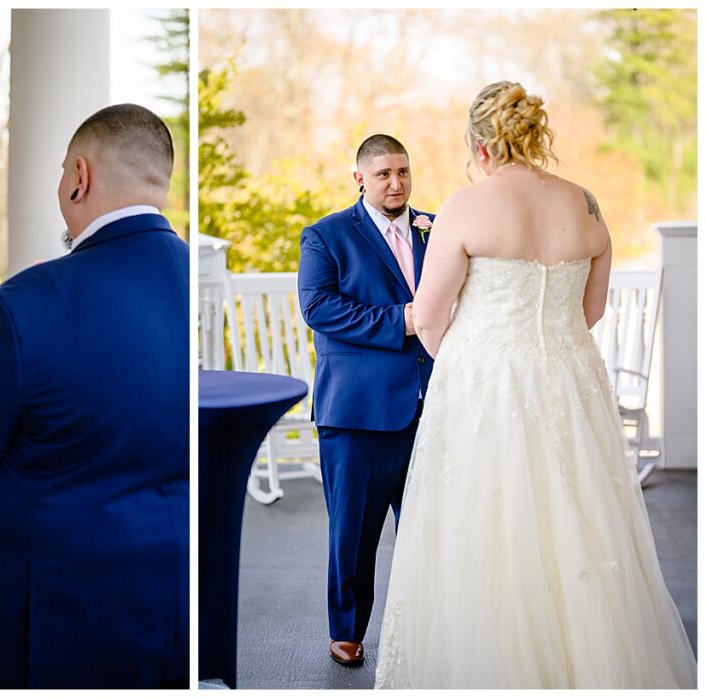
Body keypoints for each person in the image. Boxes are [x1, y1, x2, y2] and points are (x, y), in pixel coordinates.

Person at [374, 81, 697, 688]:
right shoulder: (587, 204)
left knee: (490, 526)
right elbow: (590, 311)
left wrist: (468, 360)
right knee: (578, 523)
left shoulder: (467, 206)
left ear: (480, 144)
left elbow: (426, 314)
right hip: (571, 384)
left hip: (485, 387)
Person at [0, 103, 189, 689]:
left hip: (48, 612)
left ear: (79, 177)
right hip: (172, 599)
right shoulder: (197, 283)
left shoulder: (20, 305)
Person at [297, 135, 434, 667]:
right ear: (360, 178)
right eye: (383, 174)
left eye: (403, 171)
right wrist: (403, 319)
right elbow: (319, 308)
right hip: (358, 410)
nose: (396, 183)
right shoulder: (326, 236)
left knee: (434, 526)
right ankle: (347, 631)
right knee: (353, 532)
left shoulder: (438, 227)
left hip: (435, 403)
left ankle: (428, 622)